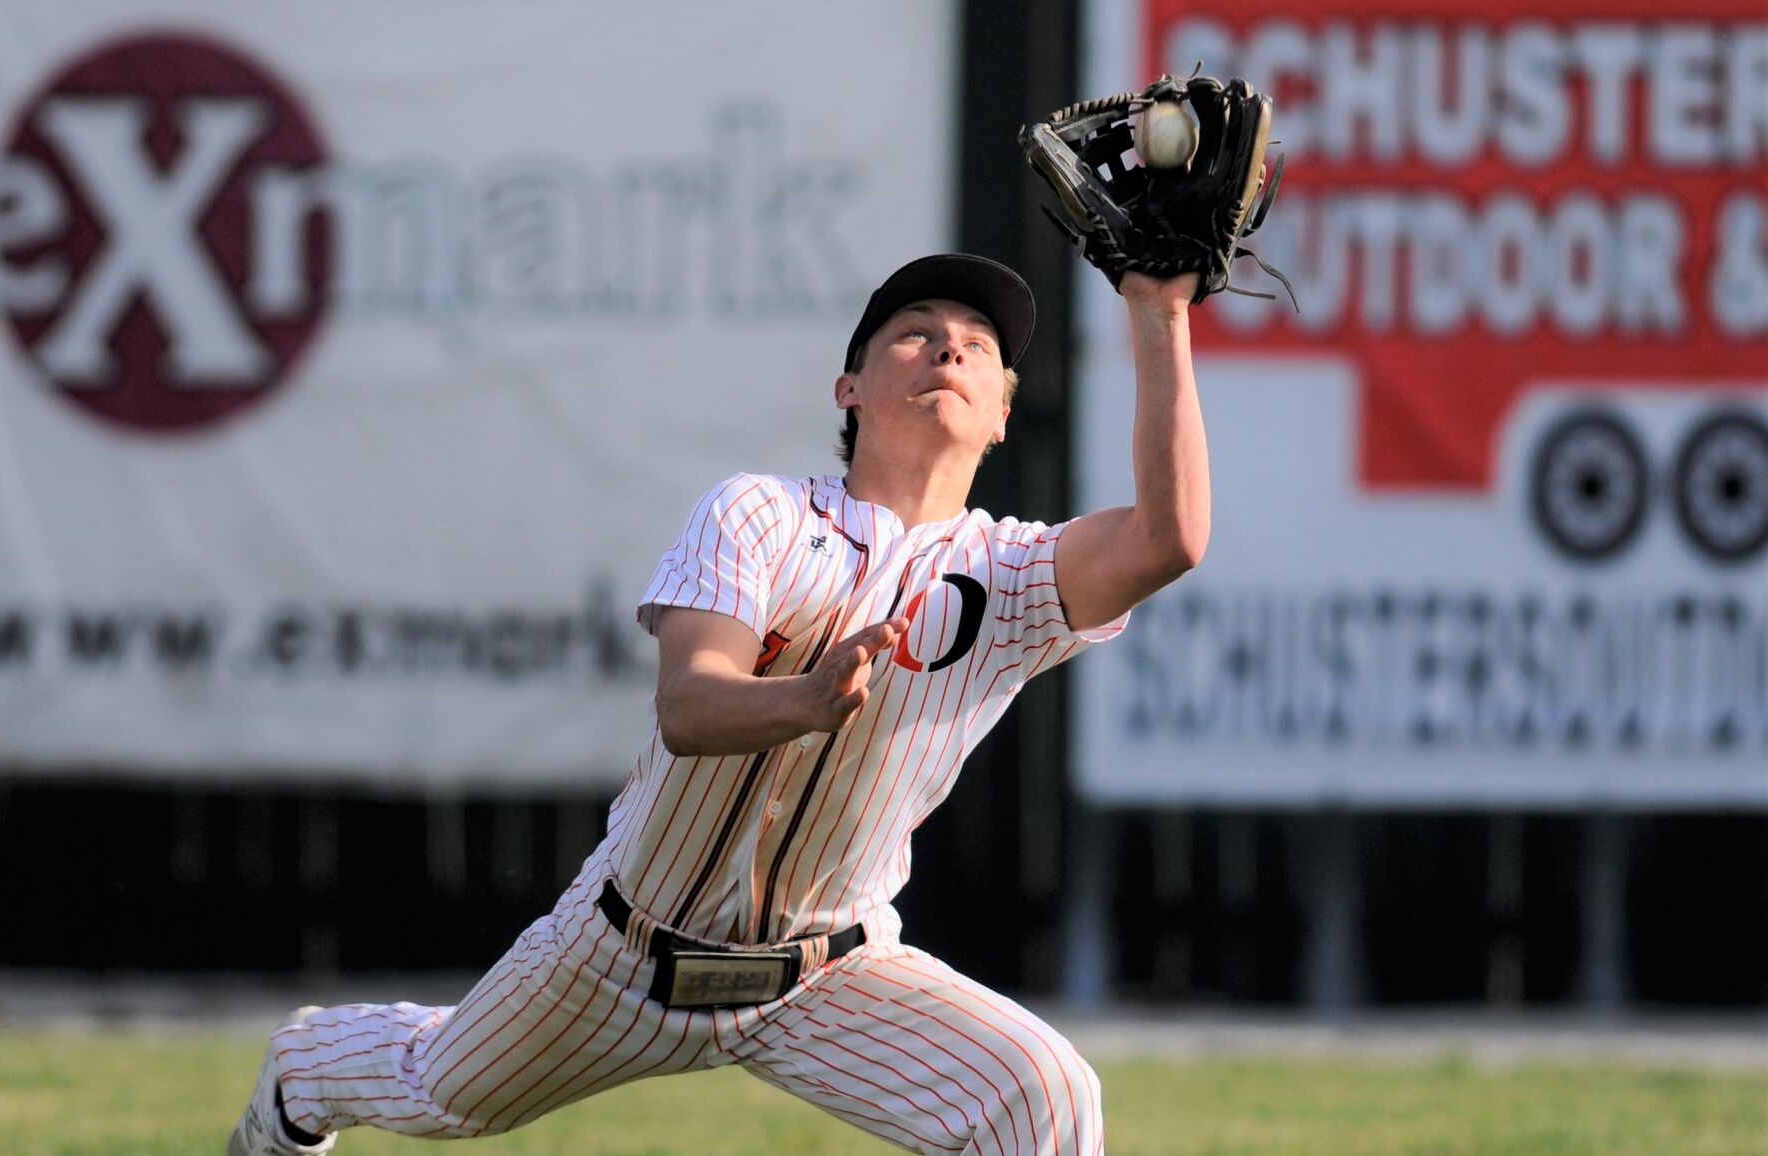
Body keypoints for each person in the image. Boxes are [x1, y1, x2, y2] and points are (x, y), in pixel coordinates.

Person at [229, 253, 1209, 1156]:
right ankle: (300, 1072)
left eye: (980, 344)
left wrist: (1158, 309)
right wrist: (806, 697)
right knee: (437, 1091)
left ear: (1001, 411)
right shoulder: (761, 513)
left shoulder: (1013, 573)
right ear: (849, 388)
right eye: (913, 327)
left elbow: (1165, 540)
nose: (949, 343)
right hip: (621, 953)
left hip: (829, 971)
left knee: (1041, 1091)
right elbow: (689, 707)